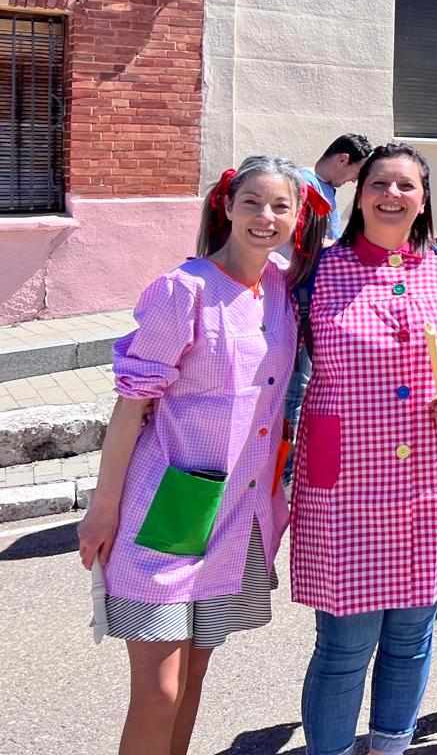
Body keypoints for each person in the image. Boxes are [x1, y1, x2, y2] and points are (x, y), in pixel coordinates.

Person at [77, 156, 326, 755]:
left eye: (280, 206)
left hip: (240, 516)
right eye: (252, 202)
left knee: (192, 680)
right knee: (158, 690)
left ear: (298, 218)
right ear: (227, 206)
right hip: (168, 510)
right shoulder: (181, 291)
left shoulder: (282, 289)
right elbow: (131, 407)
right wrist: (103, 507)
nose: (265, 217)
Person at [291, 143, 437, 755]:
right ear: (361, 194)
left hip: (431, 489)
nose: (392, 195)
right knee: (344, 648)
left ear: (424, 198)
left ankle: (391, 746)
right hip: (347, 491)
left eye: (406, 185)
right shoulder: (317, 274)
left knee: (412, 635)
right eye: (380, 183)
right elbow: (274, 367)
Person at [298, 134, 373, 241]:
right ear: (343, 159)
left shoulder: (325, 186)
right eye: (357, 173)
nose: (354, 180)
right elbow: (304, 239)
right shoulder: (306, 184)